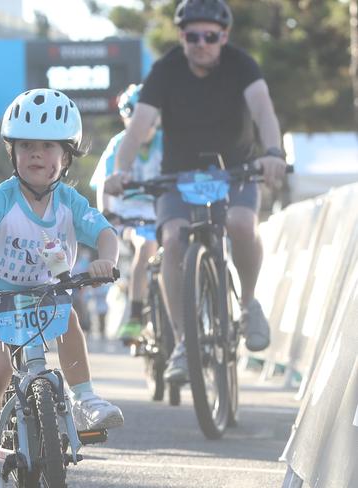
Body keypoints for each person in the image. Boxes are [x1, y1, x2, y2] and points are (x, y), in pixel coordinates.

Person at [0, 88, 124, 488]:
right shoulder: (0, 200)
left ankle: (85, 398)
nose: (37, 154)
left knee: (68, 317)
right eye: (27, 146)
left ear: (66, 156)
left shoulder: (69, 202)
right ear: (13, 153)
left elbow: (105, 233)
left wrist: (107, 260)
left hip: (43, 298)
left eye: (48, 146)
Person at [108, 0, 288, 383]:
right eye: (192, 36)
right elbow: (139, 126)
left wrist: (273, 153)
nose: (201, 43)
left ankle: (248, 303)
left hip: (235, 170)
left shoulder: (243, 65)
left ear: (224, 37)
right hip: (178, 176)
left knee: (241, 223)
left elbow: (264, 110)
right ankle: (183, 342)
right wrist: (120, 170)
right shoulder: (165, 70)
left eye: (210, 36)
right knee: (172, 240)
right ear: (181, 37)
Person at [91, 83, 162, 345]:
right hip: (130, 217)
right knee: (147, 245)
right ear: (126, 117)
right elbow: (103, 185)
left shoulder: (166, 141)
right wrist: (106, 214)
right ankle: (135, 317)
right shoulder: (117, 144)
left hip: (161, 212)